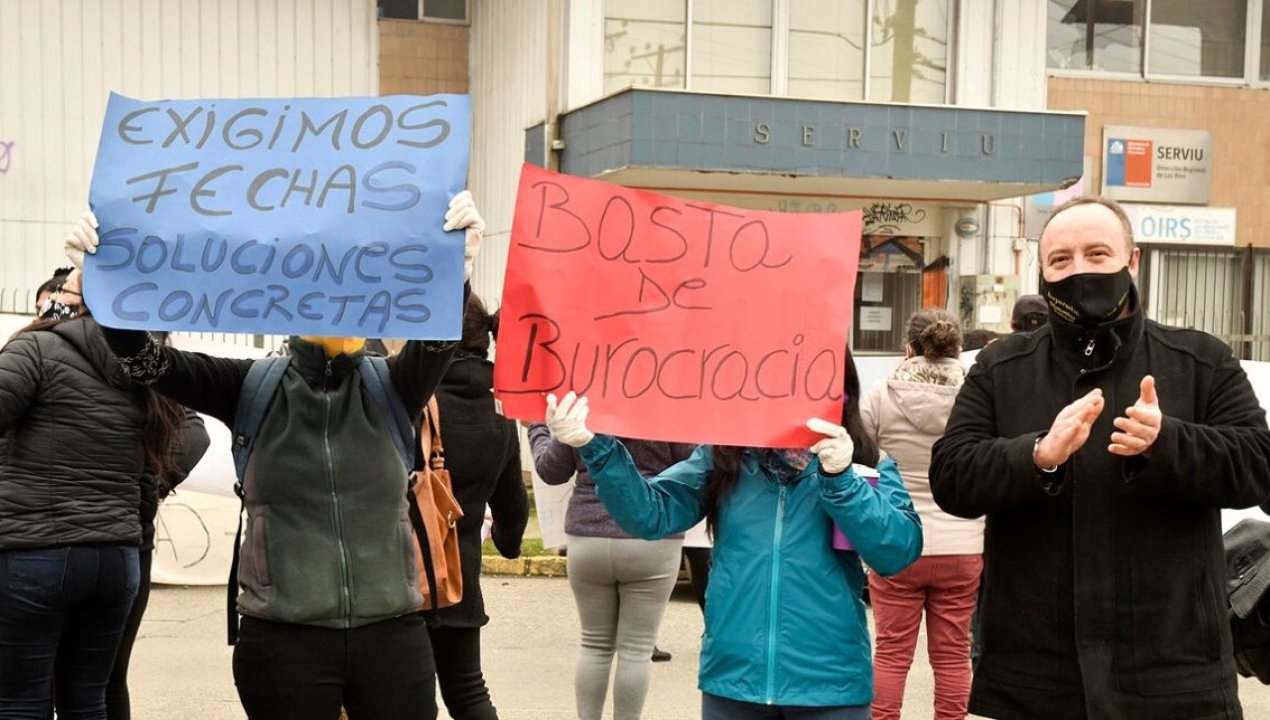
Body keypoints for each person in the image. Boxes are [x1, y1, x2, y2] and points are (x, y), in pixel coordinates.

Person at [61, 191, 486, 720]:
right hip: (283, 642)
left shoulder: (394, 387)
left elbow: (439, 340)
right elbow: (147, 362)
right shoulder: (250, 386)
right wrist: (106, 283)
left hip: (392, 637)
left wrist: (456, 268)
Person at [930, 196, 1270, 719]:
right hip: (1033, 681)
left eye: (1097, 254)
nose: (1079, 270)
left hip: (1175, 679)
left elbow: (1260, 466)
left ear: (1131, 262)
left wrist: (1168, 443)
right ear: (1041, 271)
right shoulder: (1002, 366)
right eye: (1061, 259)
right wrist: (1036, 455)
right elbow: (951, 476)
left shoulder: (1201, 359)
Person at [543, 348, 923, 720]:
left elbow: (895, 553)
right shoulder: (724, 458)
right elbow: (650, 514)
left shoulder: (864, 465)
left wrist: (842, 481)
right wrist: (595, 446)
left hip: (830, 686)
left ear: (840, 389)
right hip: (734, 684)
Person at [0, 268, 187, 719]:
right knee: (88, 699)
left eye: (64, 290)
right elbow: (173, 446)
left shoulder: (35, 349)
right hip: (116, 560)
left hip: (35, 553)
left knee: (19, 701)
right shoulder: (147, 367)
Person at [527, 420, 694, 720]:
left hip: (588, 531)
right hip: (653, 534)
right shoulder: (667, 400)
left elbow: (550, 470)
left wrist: (538, 427)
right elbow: (693, 461)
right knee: (636, 650)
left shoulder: (585, 403)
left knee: (594, 645)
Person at [860, 309, 982, 720]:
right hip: (963, 541)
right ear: (958, 348)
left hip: (896, 541)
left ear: (908, 347)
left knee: (892, 653)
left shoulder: (880, 393)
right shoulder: (976, 392)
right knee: (952, 655)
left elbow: (862, 460)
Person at [425, 294, 530, 720]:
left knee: (403, 693)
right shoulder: (499, 411)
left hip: (403, 571)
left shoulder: (413, 397)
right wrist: (507, 542)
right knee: (468, 691)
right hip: (460, 574)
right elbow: (513, 504)